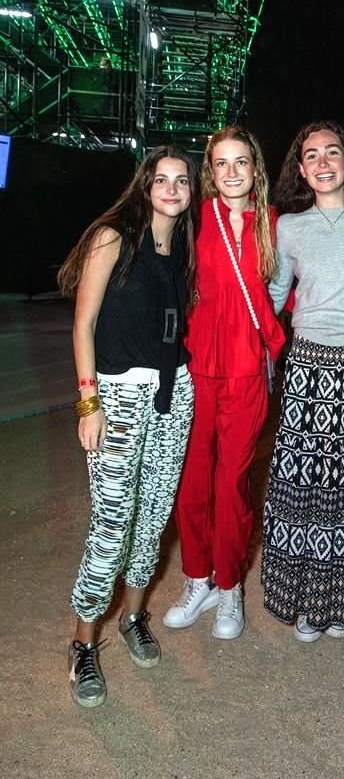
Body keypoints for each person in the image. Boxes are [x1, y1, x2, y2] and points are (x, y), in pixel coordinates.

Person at [57, 146, 200, 708]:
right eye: (160, 179)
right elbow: (83, 323)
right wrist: (88, 403)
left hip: (174, 392)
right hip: (117, 395)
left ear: (191, 191)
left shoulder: (183, 244)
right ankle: (82, 643)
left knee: (155, 517)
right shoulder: (113, 234)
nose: (170, 188)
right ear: (143, 186)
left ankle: (134, 618)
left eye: (180, 180)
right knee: (112, 525)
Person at [260, 120, 344, 642]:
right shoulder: (290, 227)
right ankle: (309, 602)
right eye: (310, 155)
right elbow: (273, 296)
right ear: (300, 168)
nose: (322, 162)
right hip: (310, 363)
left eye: (331, 152)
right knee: (306, 485)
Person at [163, 126, 285, 639]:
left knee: (231, 482)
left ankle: (229, 583)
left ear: (255, 168)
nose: (231, 172)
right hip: (196, 367)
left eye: (241, 162)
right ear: (209, 172)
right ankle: (197, 579)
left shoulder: (276, 224)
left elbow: (288, 284)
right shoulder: (195, 218)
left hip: (247, 369)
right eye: (221, 164)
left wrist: (268, 328)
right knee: (191, 481)